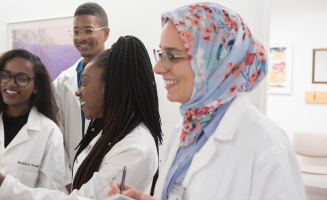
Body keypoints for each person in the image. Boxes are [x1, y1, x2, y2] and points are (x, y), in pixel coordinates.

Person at [109, 2, 305, 200]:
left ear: (215, 61)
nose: (157, 68)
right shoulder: (186, 130)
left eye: (171, 55)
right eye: (161, 54)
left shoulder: (267, 145)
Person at [0, 35, 162, 200]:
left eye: (84, 83)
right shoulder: (104, 135)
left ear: (113, 87)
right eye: (5, 75)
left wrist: (1, 184)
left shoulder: (135, 148)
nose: (78, 92)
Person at [0, 49, 67, 199]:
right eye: (5, 75)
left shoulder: (49, 133)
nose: (11, 83)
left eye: (22, 78)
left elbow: (50, 195)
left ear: (36, 87)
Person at [52, 2, 110, 191]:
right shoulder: (62, 82)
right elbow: (56, 137)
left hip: (110, 174)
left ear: (106, 33)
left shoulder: (120, 78)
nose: (81, 38)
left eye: (88, 30)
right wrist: (68, 181)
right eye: (76, 31)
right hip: (71, 182)